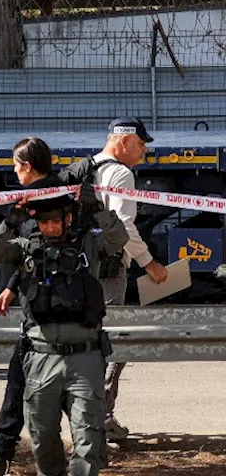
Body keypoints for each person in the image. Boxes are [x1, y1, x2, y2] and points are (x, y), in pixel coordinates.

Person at [0, 179, 130, 476]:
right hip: (41, 357)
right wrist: (10, 221)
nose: (50, 227)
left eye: (56, 221)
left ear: (67, 219)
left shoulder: (88, 245)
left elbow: (119, 238)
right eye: (44, 221)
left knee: (88, 435)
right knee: (42, 435)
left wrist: (98, 209)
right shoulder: (25, 247)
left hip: (85, 357)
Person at [0, 137, 59, 474]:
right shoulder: (52, 195)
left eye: (16, 165)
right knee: (20, 378)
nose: (14, 171)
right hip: (42, 308)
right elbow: (34, 255)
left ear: (28, 166)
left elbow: (31, 250)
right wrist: (12, 287)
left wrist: (12, 220)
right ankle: (2, 451)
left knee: (31, 384)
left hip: (51, 315)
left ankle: (7, 451)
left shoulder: (39, 205)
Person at [88, 117, 168, 441]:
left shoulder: (88, 167)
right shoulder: (121, 173)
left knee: (86, 343)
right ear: (123, 142)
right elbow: (124, 227)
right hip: (108, 269)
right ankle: (99, 422)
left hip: (81, 267)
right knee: (112, 344)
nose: (144, 151)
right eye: (141, 144)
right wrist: (150, 264)